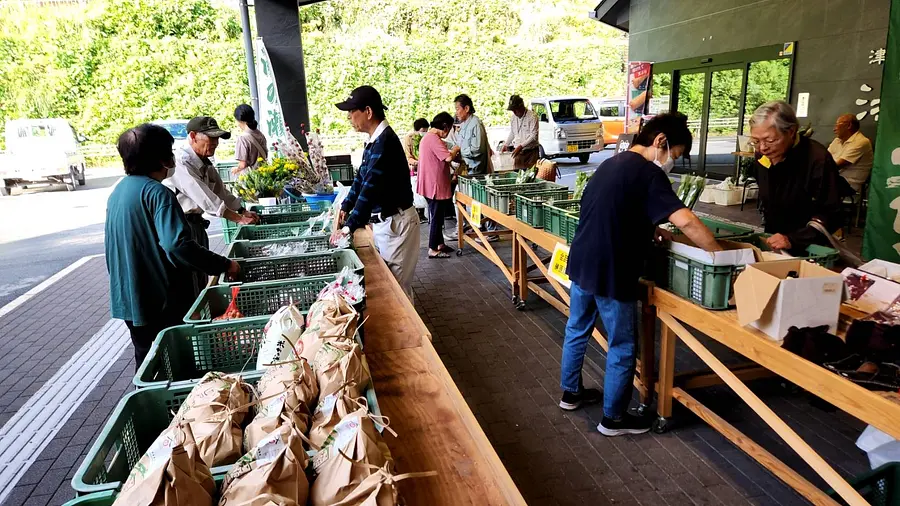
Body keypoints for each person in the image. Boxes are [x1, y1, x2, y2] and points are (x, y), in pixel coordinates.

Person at [561, 113, 721, 436]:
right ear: (660, 141)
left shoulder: (609, 164)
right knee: (622, 344)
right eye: (674, 155)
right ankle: (614, 418)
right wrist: (721, 254)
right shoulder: (649, 174)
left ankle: (571, 393)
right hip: (612, 269)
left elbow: (615, 209)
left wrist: (651, 229)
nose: (672, 162)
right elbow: (687, 221)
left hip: (582, 261)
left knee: (577, 328)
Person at [106, 123, 240, 369]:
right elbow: (177, 245)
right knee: (179, 360)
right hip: (159, 299)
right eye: (169, 151)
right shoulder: (158, 194)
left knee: (148, 360)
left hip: (127, 298)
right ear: (160, 158)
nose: (173, 156)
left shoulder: (119, 192)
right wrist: (224, 264)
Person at [332, 85, 420, 298]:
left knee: (397, 294)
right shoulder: (374, 142)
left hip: (397, 225)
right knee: (394, 289)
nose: (349, 118)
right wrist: (346, 205)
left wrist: (349, 227)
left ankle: (413, 333)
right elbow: (361, 178)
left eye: (352, 112)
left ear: (368, 112)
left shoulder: (385, 143)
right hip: (386, 224)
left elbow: (370, 188)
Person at [164, 116, 259, 299]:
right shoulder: (182, 162)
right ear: (193, 136)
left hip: (197, 225)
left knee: (200, 277)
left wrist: (242, 211)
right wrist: (239, 219)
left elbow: (221, 191)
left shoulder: (205, 162)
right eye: (210, 138)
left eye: (217, 139)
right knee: (188, 280)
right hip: (182, 226)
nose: (215, 143)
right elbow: (206, 199)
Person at [750, 101, 843, 253]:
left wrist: (793, 239)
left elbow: (831, 213)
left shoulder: (817, 158)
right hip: (774, 238)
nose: (762, 148)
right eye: (755, 141)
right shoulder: (762, 154)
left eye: (770, 140)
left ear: (791, 131)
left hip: (810, 244)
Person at [417, 112, 461, 258]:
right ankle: (432, 249)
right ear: (444, 127)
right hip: (433, 185)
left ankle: (440, 244)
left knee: (438, 215)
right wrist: (455, 149)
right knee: (436, 216)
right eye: (449, 129)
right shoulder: (433, 138)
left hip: (429, 183)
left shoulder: (428, 138)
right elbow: (448, 157)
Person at [455, 93, 498, 240]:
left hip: (478, 171)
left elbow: (477, 149)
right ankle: (478, 229)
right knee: (474, 201)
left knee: (483, 200)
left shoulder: (476, 124)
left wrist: (461, 151)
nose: (456, 113)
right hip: (469, 171)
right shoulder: (465, 125)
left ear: (466, 108)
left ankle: (491, 231)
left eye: (457, 109)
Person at [827, 114, 873, 193]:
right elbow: (824, 158)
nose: (834, 129)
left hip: (849, 183)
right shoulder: (837, 140)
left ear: (849, 125)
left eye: (837, 125)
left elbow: (837, 166)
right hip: (834, 177)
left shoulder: (861, 141)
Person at [502, 94, 540, 169]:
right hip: (518, 152)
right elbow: (513, 132)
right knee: (518, 174)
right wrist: (506, 144)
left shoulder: (532, 116)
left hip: (531, 152)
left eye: (515, 109)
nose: (514, 112)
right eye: (512, 110)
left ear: (521, 107)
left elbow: (533, 135)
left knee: (530, 175)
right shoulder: (513, 118)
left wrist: (521, 146)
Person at [233, 104, 268, 175]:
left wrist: (236, 169)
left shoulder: (243, 138)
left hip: (251, 179)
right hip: (264, 176)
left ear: (240, 120)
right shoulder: (260, 135)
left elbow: (243, 164)